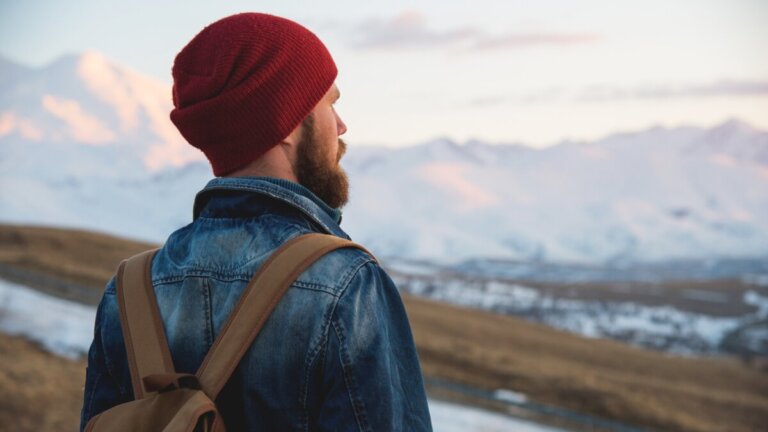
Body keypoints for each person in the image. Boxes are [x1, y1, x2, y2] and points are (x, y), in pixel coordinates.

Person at [79, 12, 433, 432]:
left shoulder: (130, 290)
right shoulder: (347, 284)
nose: (341, 126)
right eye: (330, 103)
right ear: (285, 120)